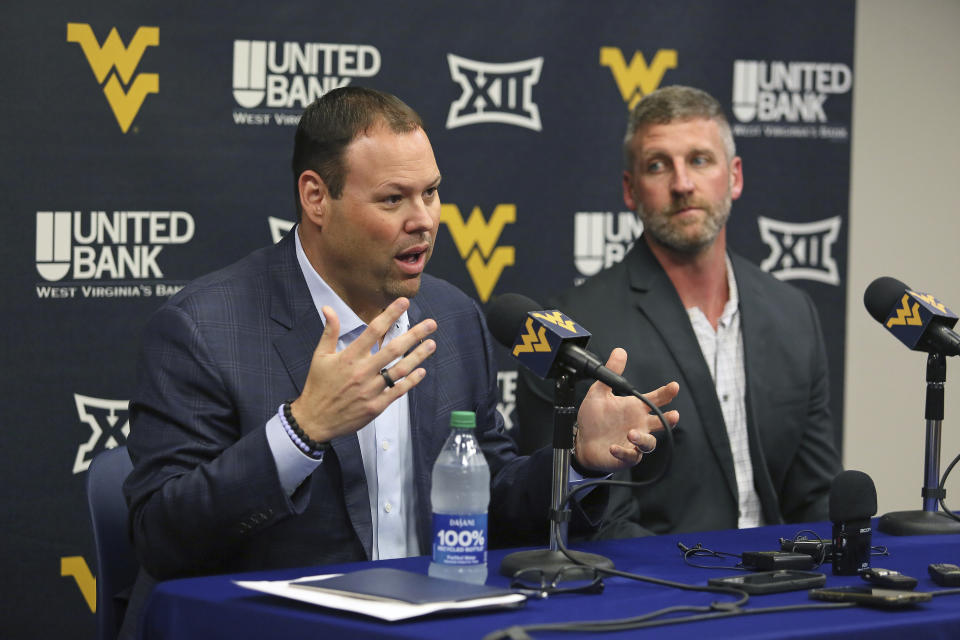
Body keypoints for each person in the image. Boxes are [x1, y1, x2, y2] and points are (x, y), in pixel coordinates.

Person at [119, 86, 678, 636]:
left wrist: (576, 461)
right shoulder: (203, 328)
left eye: (431, 193)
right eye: (393, 199)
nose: (425, 220)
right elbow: (162, 537)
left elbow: (493, 503)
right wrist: (300, 431)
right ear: (317, 198)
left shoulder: (452, 316)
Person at [515, 85, 841, 537]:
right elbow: (597, 523)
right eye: (658, 166)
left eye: (700, 160)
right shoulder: (573, 331)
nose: (683, 184)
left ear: (735, 176)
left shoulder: (793, 314)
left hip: (786, 591)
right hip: (663, 597)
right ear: (630, 190)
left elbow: (815, 499)